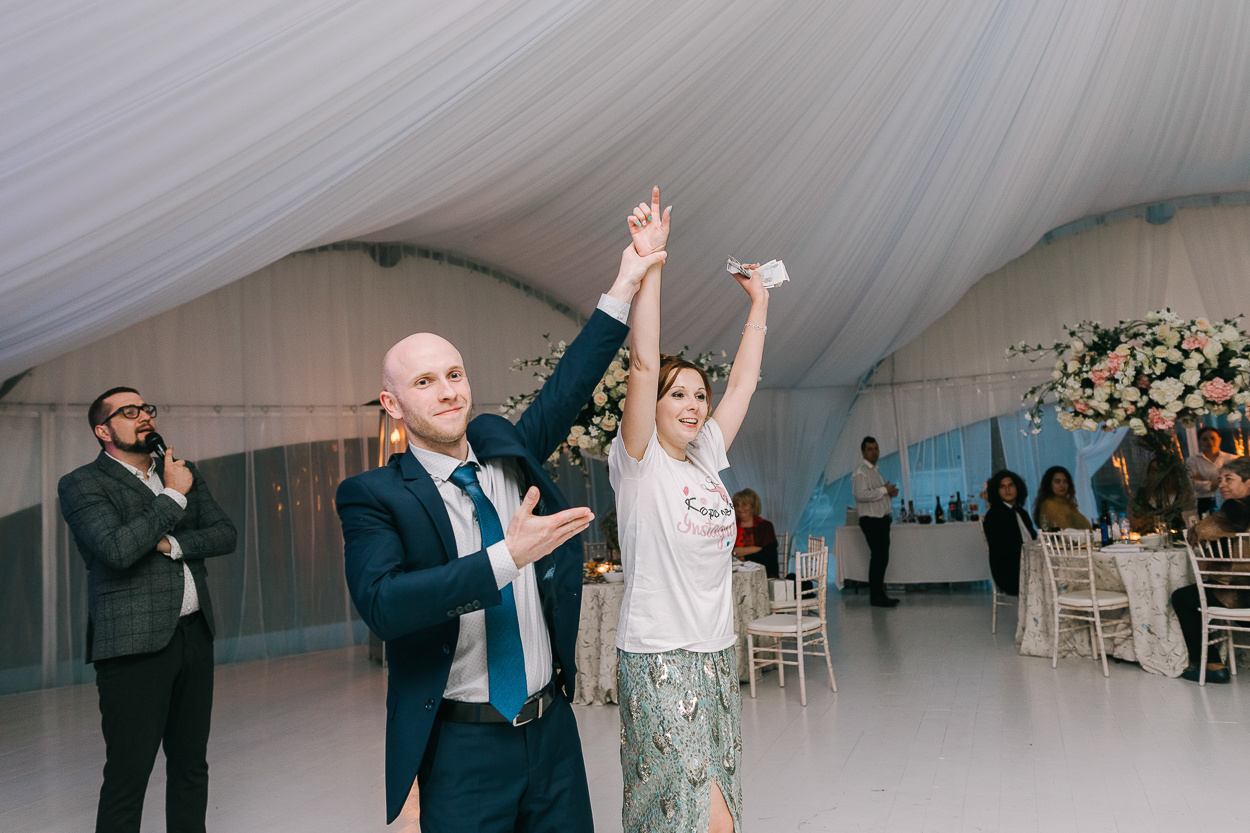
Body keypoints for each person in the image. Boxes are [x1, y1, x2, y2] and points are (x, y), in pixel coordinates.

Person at [335, 190, 666, 831]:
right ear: (392, 403)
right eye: (424, 382)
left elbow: (571, 383)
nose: (448, 391)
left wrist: (629, 276)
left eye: (454, 374)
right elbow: (385, 605)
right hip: (461, 748)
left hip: (551, 735)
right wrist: (503, 559)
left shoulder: (503, 451)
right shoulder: (373, 495)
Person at [609, 188, 766, 833]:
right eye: (679, 394)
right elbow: (644, 362)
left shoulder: (705, 458)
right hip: (658, 656)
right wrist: (651, 267)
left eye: (699, 395)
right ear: (657, 403)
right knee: (684, 816)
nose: (694, 405)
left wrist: (759, 305)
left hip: (713, 653)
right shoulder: (640, 459)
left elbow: (747, 383)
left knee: (718, 806)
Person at [58, 387, 237, 833]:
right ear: (103, 430)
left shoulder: (180, 471)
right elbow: (117, 549)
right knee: (127, 776)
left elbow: (224, 534)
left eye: (146, 409)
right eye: (129, 411)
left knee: (191, 766)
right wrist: (173, 498)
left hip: (195, 636)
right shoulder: (82, 483)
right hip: (133, 646)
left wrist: (172, 543)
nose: (144, 417)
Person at [1172, 456, 1250, 683]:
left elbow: (1202, 530)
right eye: (1220, 479)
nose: (1222, 484)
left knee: (1182, 597)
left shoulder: (1237, 506)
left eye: (1229, 479)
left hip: (1240, 596)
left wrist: (1194, 532)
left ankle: (1213, 665)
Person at [852, 436, 900, 607]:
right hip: (871, 520)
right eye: (870, 449)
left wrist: (888, 492)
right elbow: (861, 494)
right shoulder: (861, 472)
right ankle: (876, 596)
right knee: (878, 557)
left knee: (881, 557)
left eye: (876, 448)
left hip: (881, 519)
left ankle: (880, 594)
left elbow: (876, 493)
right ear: (863, 452)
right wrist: (883, 490)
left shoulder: (874, 471)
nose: (874, 452)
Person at [980, 470, 1036, 596]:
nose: (1007, 490)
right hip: (1009, 571)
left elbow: (1032, 537)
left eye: (1011, 485)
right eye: (1002, 486)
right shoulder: (994, 515)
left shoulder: (1022, 513)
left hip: (1028, 564)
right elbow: (1001, 549)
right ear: (997, 491)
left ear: (1017, 488)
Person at [1187, 426, 1237, 516]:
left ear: (1219, 439)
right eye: (1205, 439)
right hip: (1204, 501)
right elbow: (1193, 485)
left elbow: (1235, 482)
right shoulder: (1193, 461)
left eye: (1213, 438)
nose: (1209, 442)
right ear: (1199, 442)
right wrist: (1222, 481)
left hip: (1228, 500)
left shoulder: (1231, 459)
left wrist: (1205, 482)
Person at [732, 487, 778, 578]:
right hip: (735, 574)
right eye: (737, 505)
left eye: (744, 504)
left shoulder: (765, 526)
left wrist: (743, 558)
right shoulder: (730, 526)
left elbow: (769, 556)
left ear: (753, 506)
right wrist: (757, 549)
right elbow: (729, 552)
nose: (739, 508)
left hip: (764, 574)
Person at [1032, 465, 1091, 531]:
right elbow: (1066, 533)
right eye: (1057, 481)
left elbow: (1087, 528)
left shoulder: (1068, 503)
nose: (1062, 485)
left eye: (1065, 481)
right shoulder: (1049, 505)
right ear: (1049, 484)